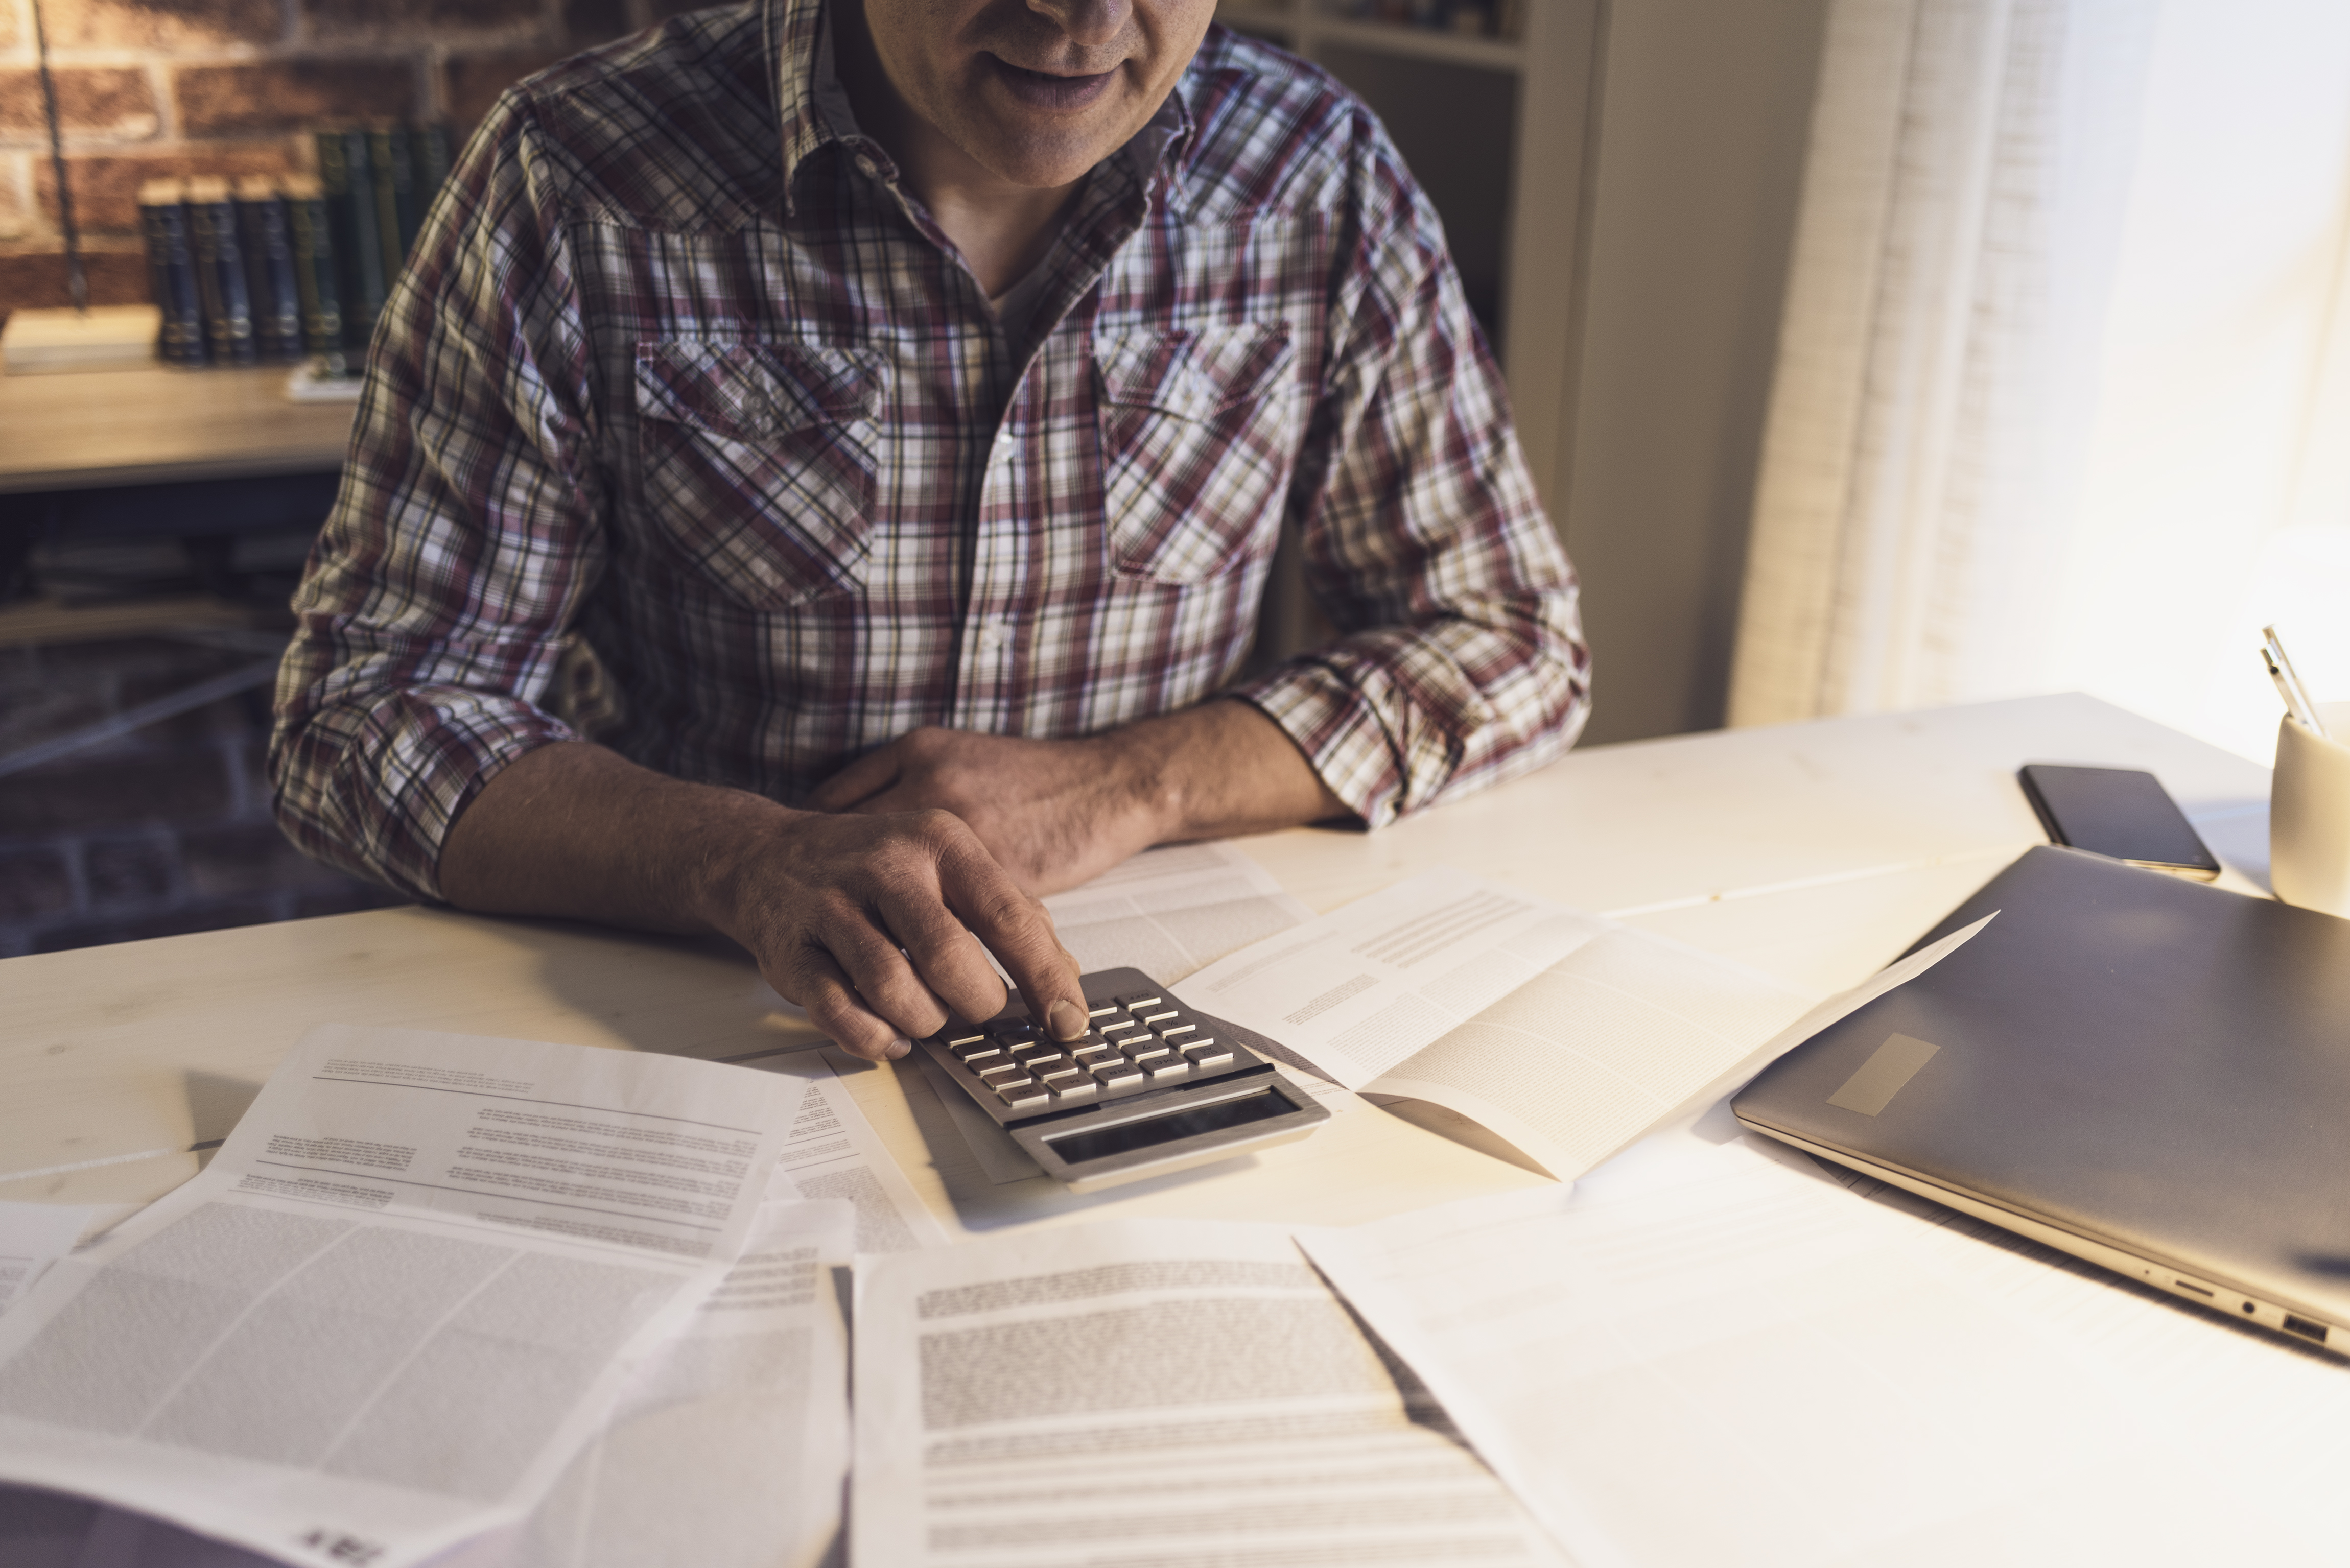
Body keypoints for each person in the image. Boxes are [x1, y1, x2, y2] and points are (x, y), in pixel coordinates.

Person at [270, 0, 1590, 1064]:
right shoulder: (574, 174)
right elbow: (364, 711)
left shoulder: (1318, 171)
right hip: (711, 1013)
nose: (1077, 17)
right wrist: (740, 862)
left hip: (1164, 997)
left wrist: (1133, 784)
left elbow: (1510, 638)